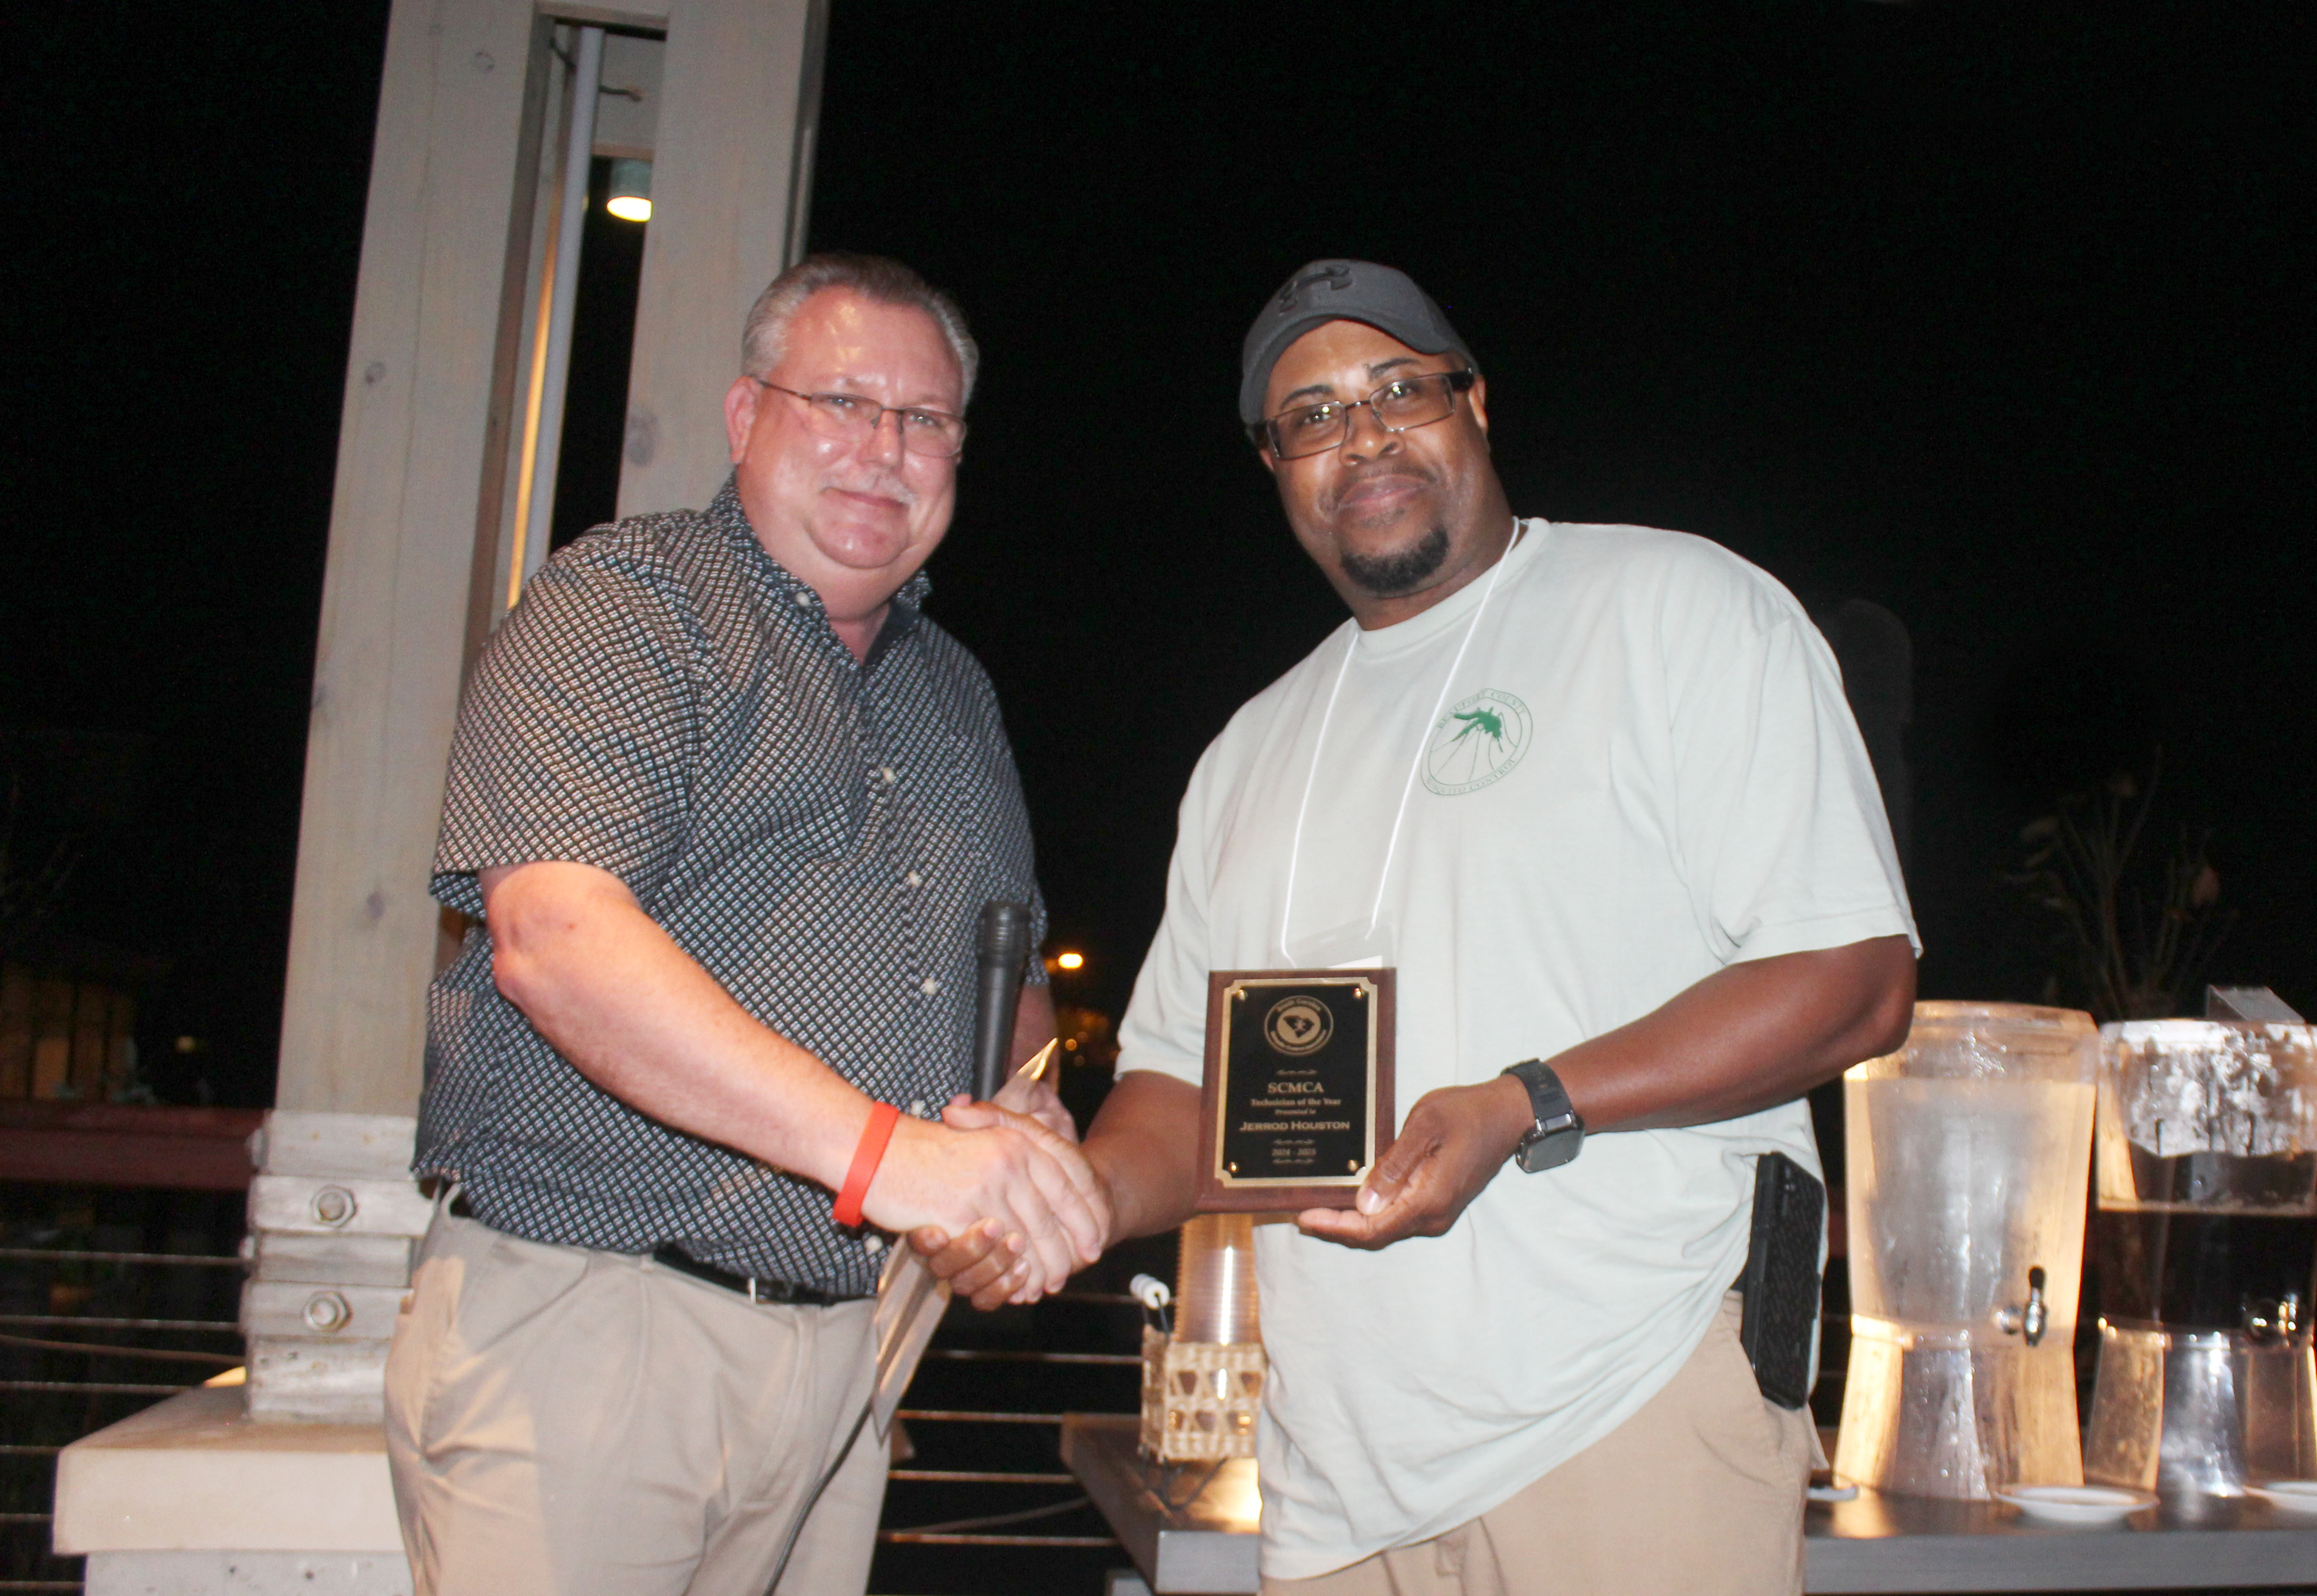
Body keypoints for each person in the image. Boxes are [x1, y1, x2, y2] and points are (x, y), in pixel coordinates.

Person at [921, 260, 1918, 1594]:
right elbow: (1185, 1091)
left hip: (1629, 1407)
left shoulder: (1677, 607)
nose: (1365, 435)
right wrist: (1073, 1200)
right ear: (1275, 464)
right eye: (1314, 416)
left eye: (1400, 389)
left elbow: (1854, 978)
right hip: (1338, 1478)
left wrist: (1524, 1103)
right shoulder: (1251, 751)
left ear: (1478, 405)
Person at [385, 253, 1108, 1596]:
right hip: (591, 1322)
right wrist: (891, 1158)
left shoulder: (958, 695)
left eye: (924, 420)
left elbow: (1006, 996)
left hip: (852, 1355)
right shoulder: (627, 601)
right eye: (839, 401)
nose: (882, 452)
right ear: (743, 416)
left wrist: (1024, 1132)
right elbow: (556, 937)